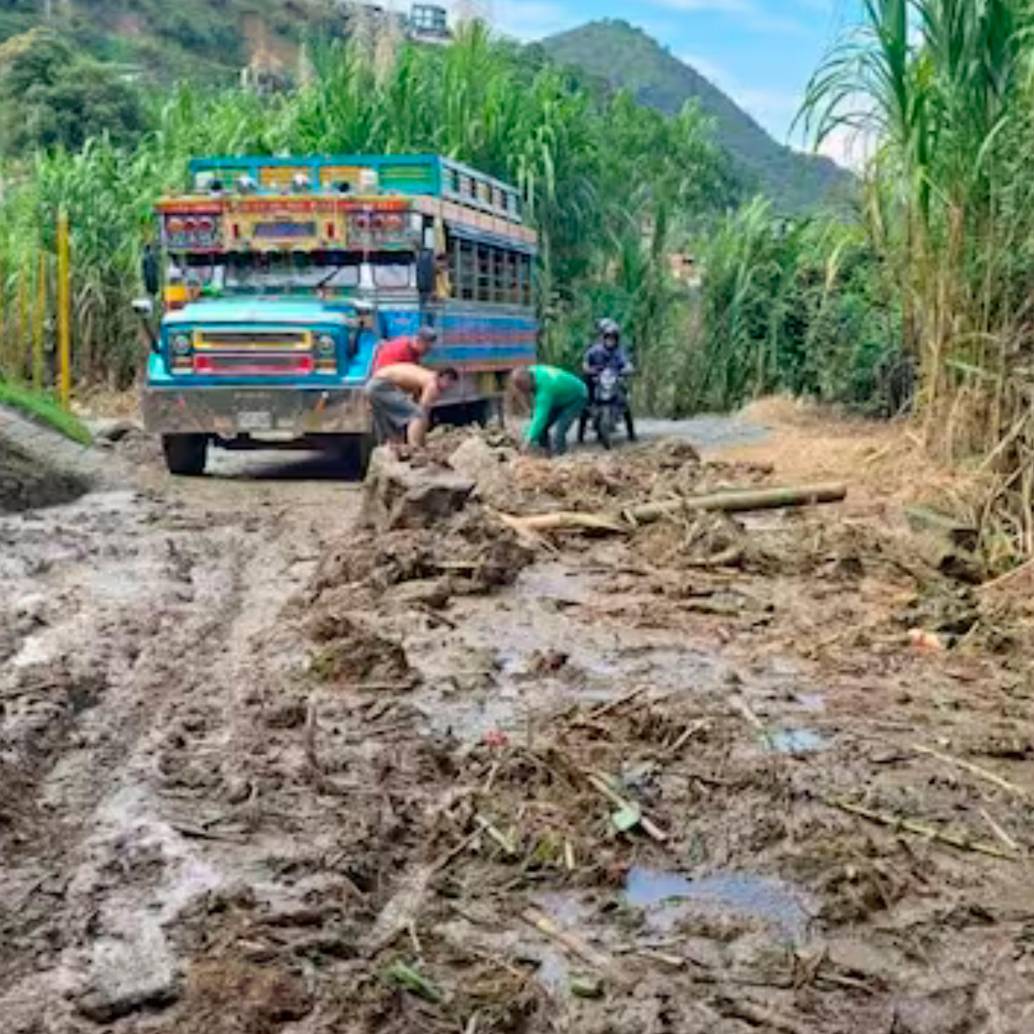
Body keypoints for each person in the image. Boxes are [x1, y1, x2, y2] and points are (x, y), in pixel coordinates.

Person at [366, 362, 459, 449]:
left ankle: (391, 447)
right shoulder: (432, 384)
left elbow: (415, 401)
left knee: (389, 422)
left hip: (373, 384)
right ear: (443, 377)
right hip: (381, 386)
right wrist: (422, 442)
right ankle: (415, 447)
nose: (448, 388)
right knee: (417, 415)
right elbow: (423, 411)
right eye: (449, 384)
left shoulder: (425, 376)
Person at [510, 365, 588, 456]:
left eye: (523, 388)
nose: (523, 392)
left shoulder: (545, 390)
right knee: (541, 428)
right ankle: (546, 452)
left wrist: (527, 441)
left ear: (528, 382)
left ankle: (561, 457)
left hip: (577, 396)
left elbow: (540, 418)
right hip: (559, 396)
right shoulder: (531, 371)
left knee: (559, 431)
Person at [579, 318, 636, 443]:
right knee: (585, 402)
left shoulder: (620, 352)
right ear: (603, 338)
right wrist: (587, 369)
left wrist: (628, 369)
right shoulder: (594, 350)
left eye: (613, 338)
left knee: (625, 404)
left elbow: (627, 363)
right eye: (608, 338)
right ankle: (580, 434)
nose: (610, 340)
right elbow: (585, 362)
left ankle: (631, 433)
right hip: (597, 380)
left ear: (617, 339)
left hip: (614, 380)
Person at [372, 326, 437, 373]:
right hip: (383, 379)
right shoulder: (402, 349)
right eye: (427, 348)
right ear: (419, 342)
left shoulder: (413, 348)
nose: (428, 351)